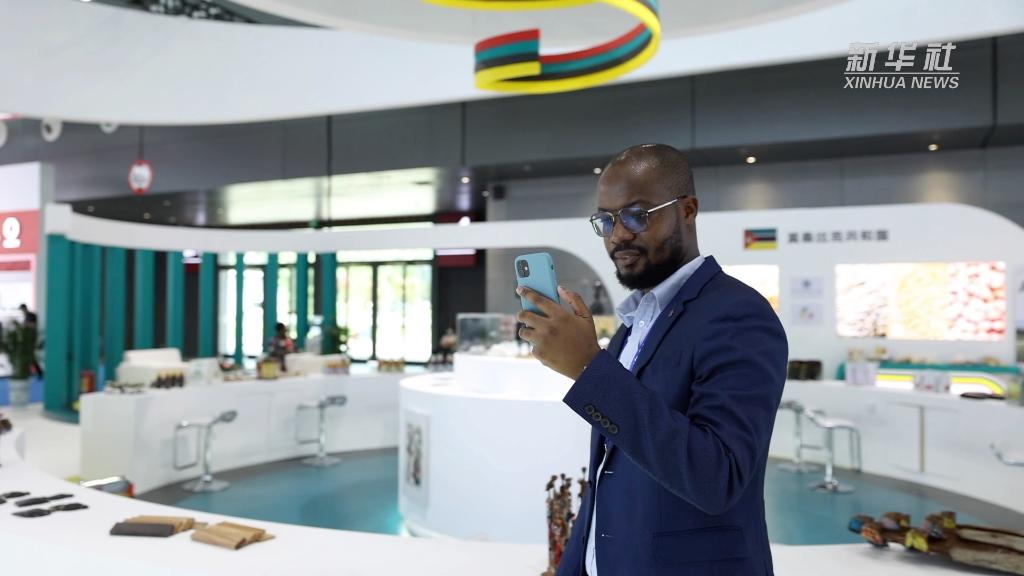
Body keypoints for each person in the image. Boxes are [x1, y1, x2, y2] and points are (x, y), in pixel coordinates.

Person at [517, 144, 788, 576]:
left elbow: (718, 476)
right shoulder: (633, 325)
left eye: (636, 215)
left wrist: (588, 367)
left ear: (688, 210)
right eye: (606, 220)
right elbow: (608, 474)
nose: (617, 235)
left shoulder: (739, 314)